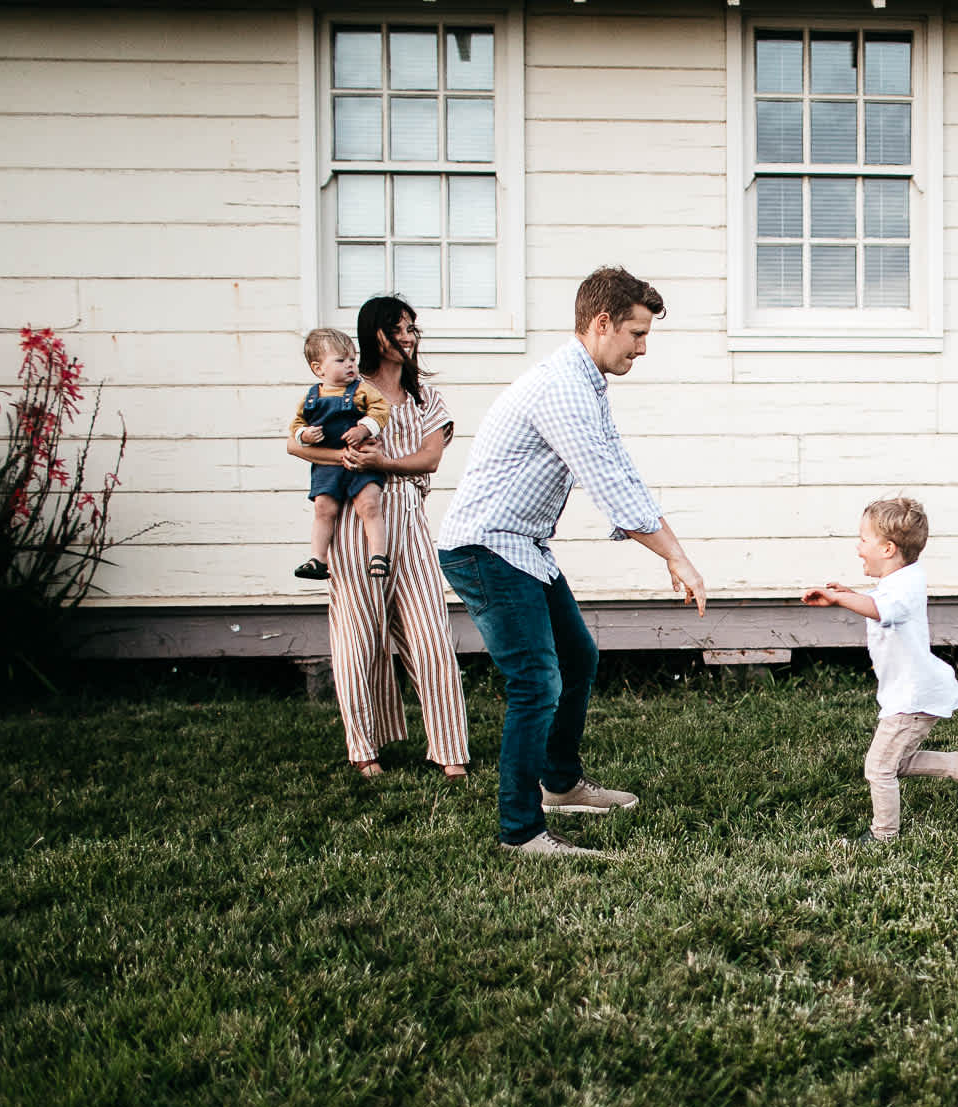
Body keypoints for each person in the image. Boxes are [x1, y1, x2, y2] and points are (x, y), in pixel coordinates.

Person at [438, 266, 707, 859]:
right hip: (486, 547)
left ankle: (558, 784)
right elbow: (607, 482)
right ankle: (521, 831)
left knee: (577, 656)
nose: (642, 348)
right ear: (603, 322)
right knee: (537, 683)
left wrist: (673, 550)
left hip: (522, 544)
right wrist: (678, 558)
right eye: (637, 334)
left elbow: (620, 465)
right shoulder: (561, 387)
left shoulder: (585, 383)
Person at [286, 297, 469, 780]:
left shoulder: (426, 397)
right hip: (354, 517)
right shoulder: (348, 387)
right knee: (358, 636)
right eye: (397, 329)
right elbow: (297, 442)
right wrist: (343, 460)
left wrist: (378, 462)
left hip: (408, 515)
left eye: (412, 328)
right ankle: (364, 749)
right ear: (374, 335)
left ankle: (451, 750)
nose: (408, 337)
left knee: (432, 635)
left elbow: (429, 460)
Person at [801, 496, 958, 845]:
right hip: (908, 693)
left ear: (887, 548)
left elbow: (882, 609)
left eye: (863, 540)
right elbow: (878, 601)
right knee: (896, 763)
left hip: (912, 697)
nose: (858, 548)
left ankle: (883, 836)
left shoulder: (906, 585)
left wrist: (842, 599)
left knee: (878, 768)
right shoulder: (900, 580)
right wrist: (849, 593)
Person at [290, 328, 390, 581]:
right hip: (327, 466)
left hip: (361, 463)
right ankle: (318, 559)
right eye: (341, 360)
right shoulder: (311, 397)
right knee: (323, 509)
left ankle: (379, 554)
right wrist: (305, 435)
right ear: (318, 368)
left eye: (352, 360)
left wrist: (363, 428)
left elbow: (381, 410)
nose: (350, 366)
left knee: (369, 504)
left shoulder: (362, 391)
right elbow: (296, 426)